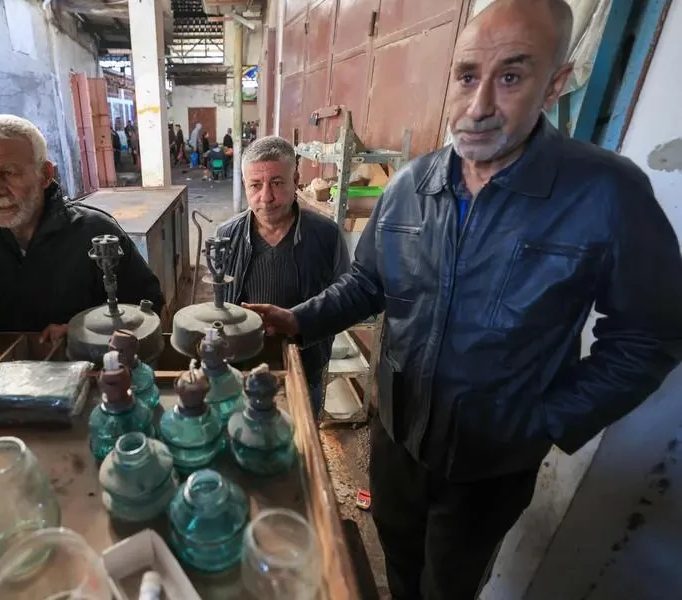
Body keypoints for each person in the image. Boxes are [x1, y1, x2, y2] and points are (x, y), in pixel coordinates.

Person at [245, 1, 682, 598]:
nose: (478, 107)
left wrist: (550, 417)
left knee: (448, 586)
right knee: (396, 560)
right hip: (396, 441)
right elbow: (368, 284)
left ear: (555, 83)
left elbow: (650, 335)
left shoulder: (604, 194)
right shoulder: (410, 186)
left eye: (511, 76)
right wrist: (297, 318)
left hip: (489, 468)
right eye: (468, 75)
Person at [0, 114, 164, 356]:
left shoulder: (95, 232)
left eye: (9, 173)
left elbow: (148, 306)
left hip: (85, 373)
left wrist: (89, 333)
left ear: (45, 174)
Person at [218, 136, 349, 415]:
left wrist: (299, 322)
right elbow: (220, 303)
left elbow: (345, 302)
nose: (266, 197)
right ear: (245, 185)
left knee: (300, 446)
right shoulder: (226, 236)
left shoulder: (326, 236)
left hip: (306, 367)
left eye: (277, 183)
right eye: (255, 185)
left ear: (296, 180)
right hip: (242, 366)